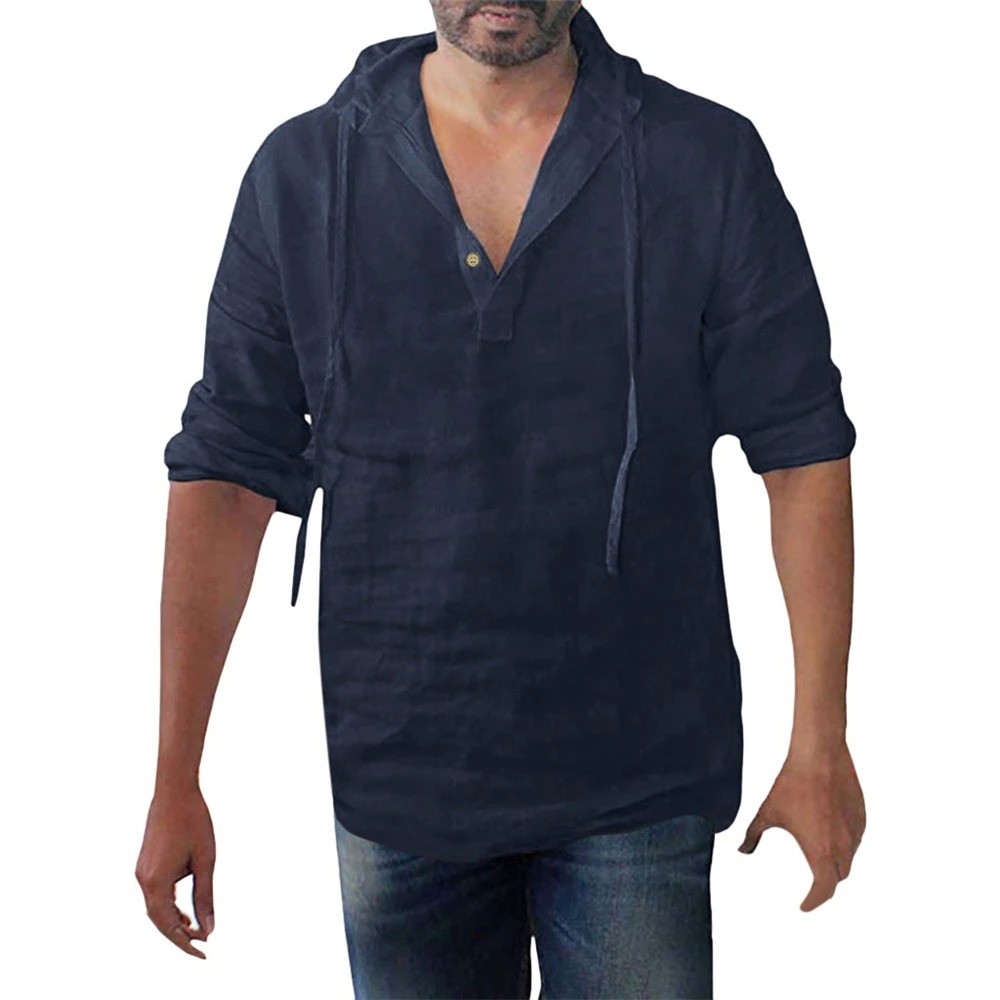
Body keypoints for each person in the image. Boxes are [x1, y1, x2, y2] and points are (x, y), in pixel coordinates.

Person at [136, 2, 866, 996]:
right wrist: (174, 773)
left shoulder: (703, 158)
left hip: (640, 770)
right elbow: (226, 474)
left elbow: (801, 448)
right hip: (400, 776)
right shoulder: (303, 173)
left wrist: (820, 737)